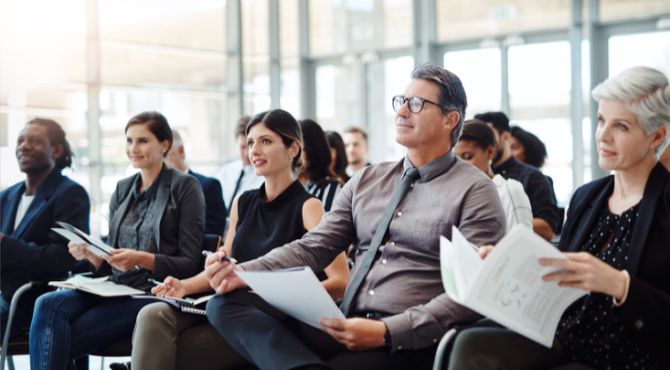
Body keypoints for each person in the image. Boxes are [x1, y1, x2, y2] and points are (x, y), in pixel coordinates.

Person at [202, 64, 506, 370]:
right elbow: (313, 246)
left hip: (406, 340)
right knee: (225, 303)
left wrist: (386, 332)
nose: (402, 112)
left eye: (417, 104)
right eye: (401, 101)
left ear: (450, 119)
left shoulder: (476, 191)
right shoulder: (367, 180)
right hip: (344, 319)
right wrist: (242, 272)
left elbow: (470, 291)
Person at [449, 66, 670, 370]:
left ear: (655, 136)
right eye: (601, 121)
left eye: (621, 127)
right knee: (468, 343)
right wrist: (508, 262)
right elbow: (560, 270)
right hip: (567, 337)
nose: (603, 136)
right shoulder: (587, 197)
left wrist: (621, 286)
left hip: (628, 352)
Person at [130, 109, 349, 370]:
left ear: (293, 149)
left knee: (172, 348)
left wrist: (273, 294)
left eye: (265, 141)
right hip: (229, 304)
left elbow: (341, 281)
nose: (254, 150)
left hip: (271, 317)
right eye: (250, 142)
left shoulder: (309, 207)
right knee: (151, 315)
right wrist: (184, 286)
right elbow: (226, 270)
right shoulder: (242, 203)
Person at [29, 111, 205, 370]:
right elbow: (111, 257)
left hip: (151, 292)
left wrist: (141, 258)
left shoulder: (185, 187)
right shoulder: (123, 189)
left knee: (57, 336)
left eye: (142, 141)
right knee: (47, 304)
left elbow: (190, 263)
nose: (133, 148)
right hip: (114, 287)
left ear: (165, 144)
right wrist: (91, 254)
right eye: (129, 141)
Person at [0, 118, 90, 337]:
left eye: (35, 141)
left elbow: (60, 258)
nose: (24, 146)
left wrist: (4, 243)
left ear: (57, 150)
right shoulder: (6, 196)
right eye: (21, 140)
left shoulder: (69, 194)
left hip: (30, 300)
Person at [474, 111, 561, 241]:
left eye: (488, 136)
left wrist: (508, 220)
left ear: (505, 137)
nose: (483, 143)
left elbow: (547, 228)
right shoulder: (477, 178)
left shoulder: (533, 177)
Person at [454, 119, 533, 232]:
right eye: (455, 159)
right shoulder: (458, 195)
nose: (460, 165)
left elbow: (521, 244)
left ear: (490, 152)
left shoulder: (508, 190)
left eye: (467, 157)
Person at [165, 129, 226, 235]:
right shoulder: (153, 190)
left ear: (181, 151)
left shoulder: (208, 186)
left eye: (165, 156)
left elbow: (212, 234)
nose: (161, 164)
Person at [216, 116, 263, 215]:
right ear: (235, 143)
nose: (247, 153)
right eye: (242, 147)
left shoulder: (263, 176)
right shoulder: (225, 172)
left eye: (250, 146)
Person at [300, 119, 343, 211]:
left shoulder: (331, 187)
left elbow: (325, 224)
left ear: (313, 150)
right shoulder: (300, 185)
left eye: (301, 149)